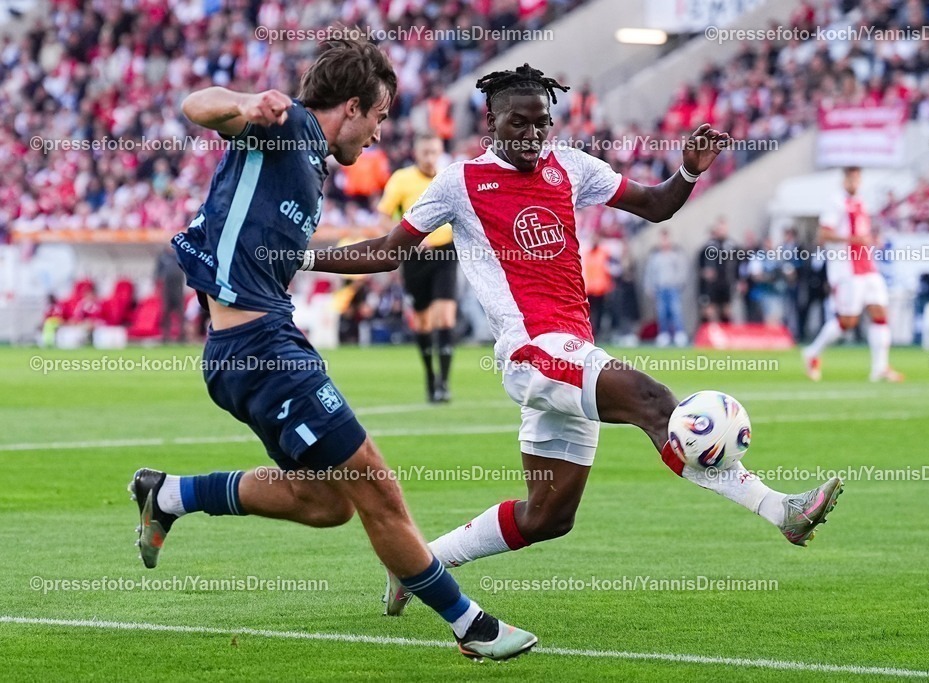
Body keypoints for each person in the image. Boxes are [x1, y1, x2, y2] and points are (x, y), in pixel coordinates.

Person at [301, 64, 844, 615]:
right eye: (519, 123)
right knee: (654, 402)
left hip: (573, 351)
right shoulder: (460, 183)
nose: (533, 135)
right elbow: (388, 249)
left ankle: (415, 566)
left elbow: (655, 206)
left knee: (548, 518)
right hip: (531, 351)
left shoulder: (570, 165)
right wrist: (300, 257)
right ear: (490, 122)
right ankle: (781, 510)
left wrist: (687, 172)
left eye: (543, 124)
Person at [127, 40, 535, 662]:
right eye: (378, 115)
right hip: (259, 348)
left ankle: (170, 495)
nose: (379, 132)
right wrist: (243, 102)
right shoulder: (286, 124)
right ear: (352, 106)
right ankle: (470, 625)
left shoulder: (313, 162)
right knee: (375, 485)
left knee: (324, 503)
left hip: (254, 344)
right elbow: (198, 105)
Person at [377, 133, 459, 402]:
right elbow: (383, 214)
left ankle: (444, 384)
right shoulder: (401, 179)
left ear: (440, 152)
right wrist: (400, 242)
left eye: (434, 152)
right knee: (423, 321)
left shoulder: (449, 177)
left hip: (445, 251)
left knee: (445, 316)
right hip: (413, 256)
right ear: (416, 153)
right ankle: (430, 377)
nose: (430, 158)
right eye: (425, 153)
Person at [802, 167, 903, 382]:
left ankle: (880, 368)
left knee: (880, 313)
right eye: (850, 178)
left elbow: (863, 233)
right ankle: (812, 352)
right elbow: (823, 234)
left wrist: (869, 240)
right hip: (846, 269)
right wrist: (854, 240)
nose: (854, 182)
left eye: (857, 178)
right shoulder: (835, 202)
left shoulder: (862, 202)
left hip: (868, 266)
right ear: (844, 179)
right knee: (848, 321)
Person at [645, 230, 688, 346]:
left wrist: (679, 283)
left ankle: (679, 333)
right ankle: (664, 333)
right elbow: (650, 273)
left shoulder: (675, 254)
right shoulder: (655, 256)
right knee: (662, 313)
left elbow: (681, 270)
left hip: (673, 287)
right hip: (660, 288)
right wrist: (649, 287)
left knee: (676, 311)